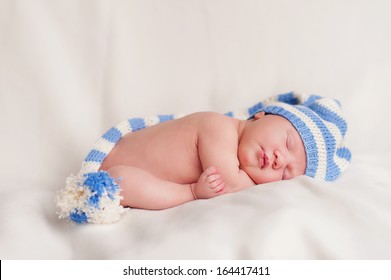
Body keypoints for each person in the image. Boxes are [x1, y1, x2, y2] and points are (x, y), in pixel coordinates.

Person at [56, 92, 351, 224]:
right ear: (262, 115)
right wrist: (196, 191)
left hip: (136, 178)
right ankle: (187, 192)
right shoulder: (218, 127)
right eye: (287, 141)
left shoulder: (239, 146)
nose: (278, 159)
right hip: (116, 162)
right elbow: (231, 184)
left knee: (127, 182)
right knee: (120, 180)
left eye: (286, 172)